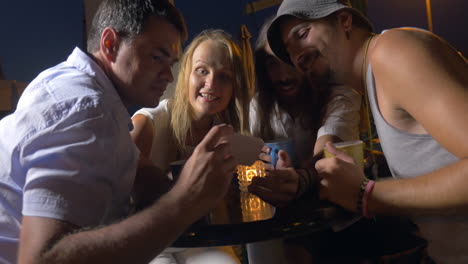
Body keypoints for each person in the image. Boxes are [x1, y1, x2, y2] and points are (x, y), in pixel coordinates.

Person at [0, 1, 238, 263]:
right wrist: (185, 201)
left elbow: (135, 166)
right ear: (110, 43)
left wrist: (183, 186)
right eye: (157, 56)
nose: (168, 76)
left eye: (171, 63)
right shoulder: (85, 109)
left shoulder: (76, 86)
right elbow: (42, 259)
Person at [267, 0, 468, 262]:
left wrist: (366, 194)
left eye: (302, 34)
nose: (297, 56)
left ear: (344, 21)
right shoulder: (371, 79)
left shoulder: (393, 52)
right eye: (288, 51)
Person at [130, 29, 250, 264]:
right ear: (185, 74)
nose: (211, 83)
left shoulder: (227, 134)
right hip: (148, 240)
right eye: (202, 71)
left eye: (224, 76)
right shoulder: (149, 122)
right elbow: (115, 198)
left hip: (201, 239)